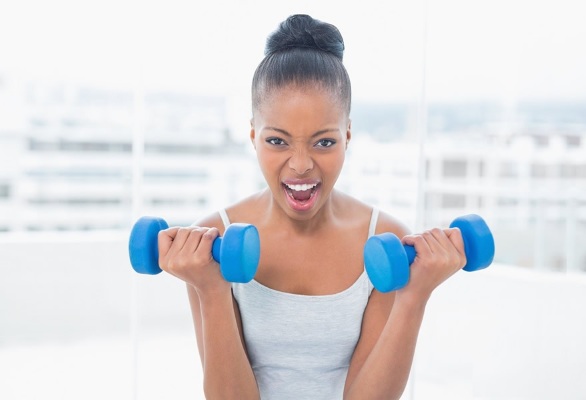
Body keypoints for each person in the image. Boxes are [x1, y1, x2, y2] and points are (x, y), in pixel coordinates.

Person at [157, 14, 466, 400]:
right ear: (253, 136)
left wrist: (414, 296)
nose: (301, 164)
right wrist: (212, 291)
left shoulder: (387, 241)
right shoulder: (209, 244)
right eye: (277, 141)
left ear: (347, 135)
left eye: (323, 142)